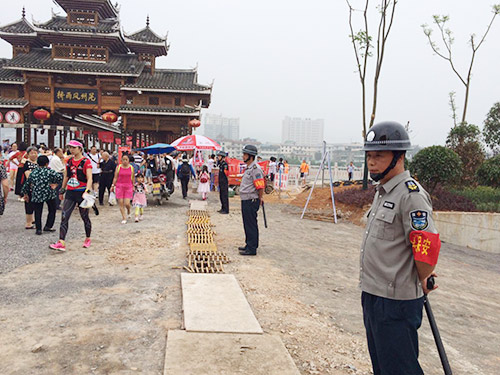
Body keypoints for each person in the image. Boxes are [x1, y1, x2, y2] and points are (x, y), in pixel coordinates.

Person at [360, 121, 441, 375]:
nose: (371, 162)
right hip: (373, 293)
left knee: (400, 368)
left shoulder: (410, 195)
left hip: (395, 302)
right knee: (382, 366)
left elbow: (426, 247)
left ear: (399, 156)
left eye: (379, 156)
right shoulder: (383, 192)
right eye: (369, 156)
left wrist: (423, 275)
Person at [50, 140, 93, 251]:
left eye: (73, 147)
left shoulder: (86, 162)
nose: (71, 150)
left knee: (84, 217)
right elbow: (66, 176)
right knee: (64, 216)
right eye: (70, 147)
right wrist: (62, 190)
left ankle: (88, 238)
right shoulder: (68, 161)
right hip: (70, 192)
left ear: (80, 149)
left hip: (81, 191)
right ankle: (61, 242)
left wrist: (87, 191)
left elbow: (89, 178)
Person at [21, 155, 62, 235]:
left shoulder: (34, 172)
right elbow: (60, 177)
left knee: (38, 211)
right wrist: (55, 184)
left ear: (37, 163)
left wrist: (25, 193)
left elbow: (27, 183)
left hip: (37, 193)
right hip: (49, 193)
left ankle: (38, 229)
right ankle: (48, 226)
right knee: (52, 209)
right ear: (47, 163)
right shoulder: (50, 171)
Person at [238, 145, 265, 256]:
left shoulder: (255, 169)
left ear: (250, 156)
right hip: (246, 199)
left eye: (245, 154)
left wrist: (260, 198)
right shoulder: (249, 168)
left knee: (251, 224)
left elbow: (260, 185)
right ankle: (248, 244)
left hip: (251, 200)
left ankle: (252, 248)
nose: (243, 156)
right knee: (247, 224)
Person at [18, 146, 39, 229]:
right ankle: (28, 222)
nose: (33, 155)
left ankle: (32, 219)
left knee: (35, 204)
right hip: (30, 186)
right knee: (29, 204)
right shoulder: (26, 164)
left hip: (37, 186)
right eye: (31, 153)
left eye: (35, 153)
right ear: (28, 154)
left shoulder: (37, 163)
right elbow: (28, 176)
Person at [111, 153, 135, 224]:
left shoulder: (131, 168)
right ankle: (124, 217)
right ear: (121, 160)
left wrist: (133, 186)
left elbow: (133, 178)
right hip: (119, 186)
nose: (125, 161)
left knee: (127, 203)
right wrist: (113, 185)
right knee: (121, 203)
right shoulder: (118, 167)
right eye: (123, 159)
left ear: (128, 160)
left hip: (128, 186)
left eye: (126, 160)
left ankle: (128, 210)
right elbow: (115, 177)